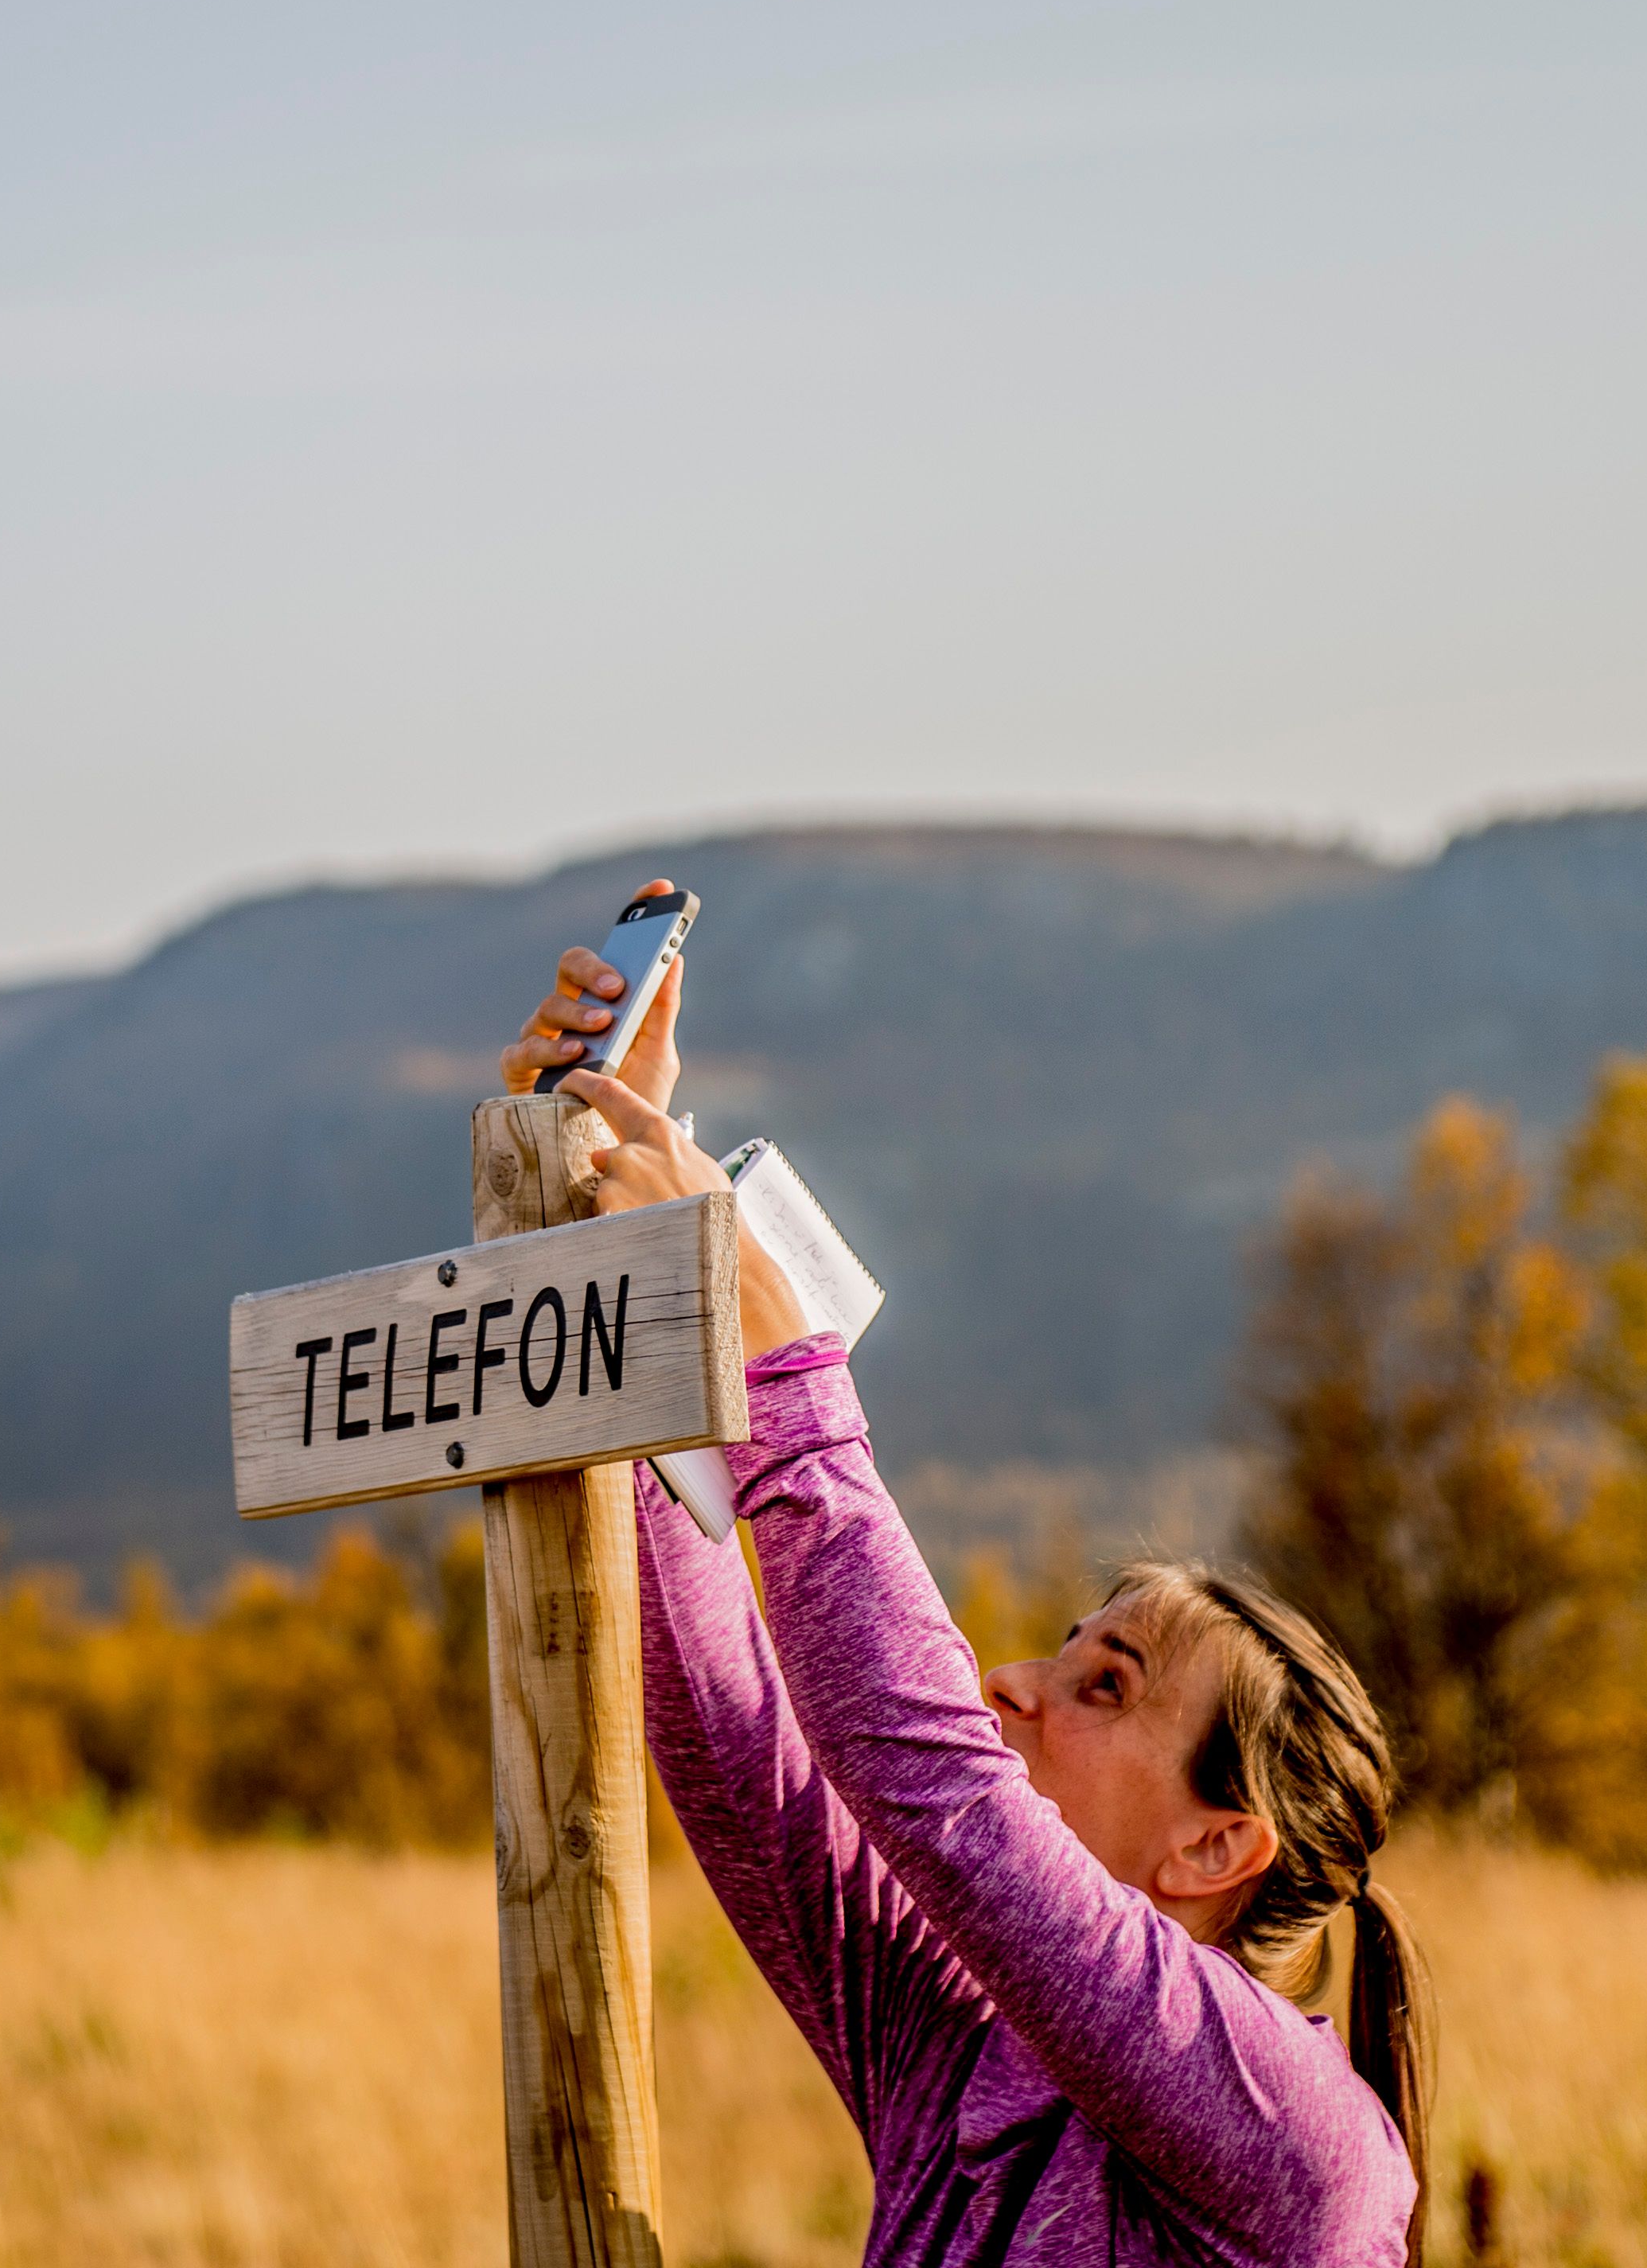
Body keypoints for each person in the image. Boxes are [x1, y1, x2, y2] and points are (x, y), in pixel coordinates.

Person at [502, 887, 1428, 2268]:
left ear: (1217, 1848)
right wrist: (627, 1241)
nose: (1016, 1682)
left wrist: (782, 1367)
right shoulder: (962, 2049)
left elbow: (924, 1777)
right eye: (1068, 1647)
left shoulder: (1305, 2155)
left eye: (1104, 1687)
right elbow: (737, 1745)